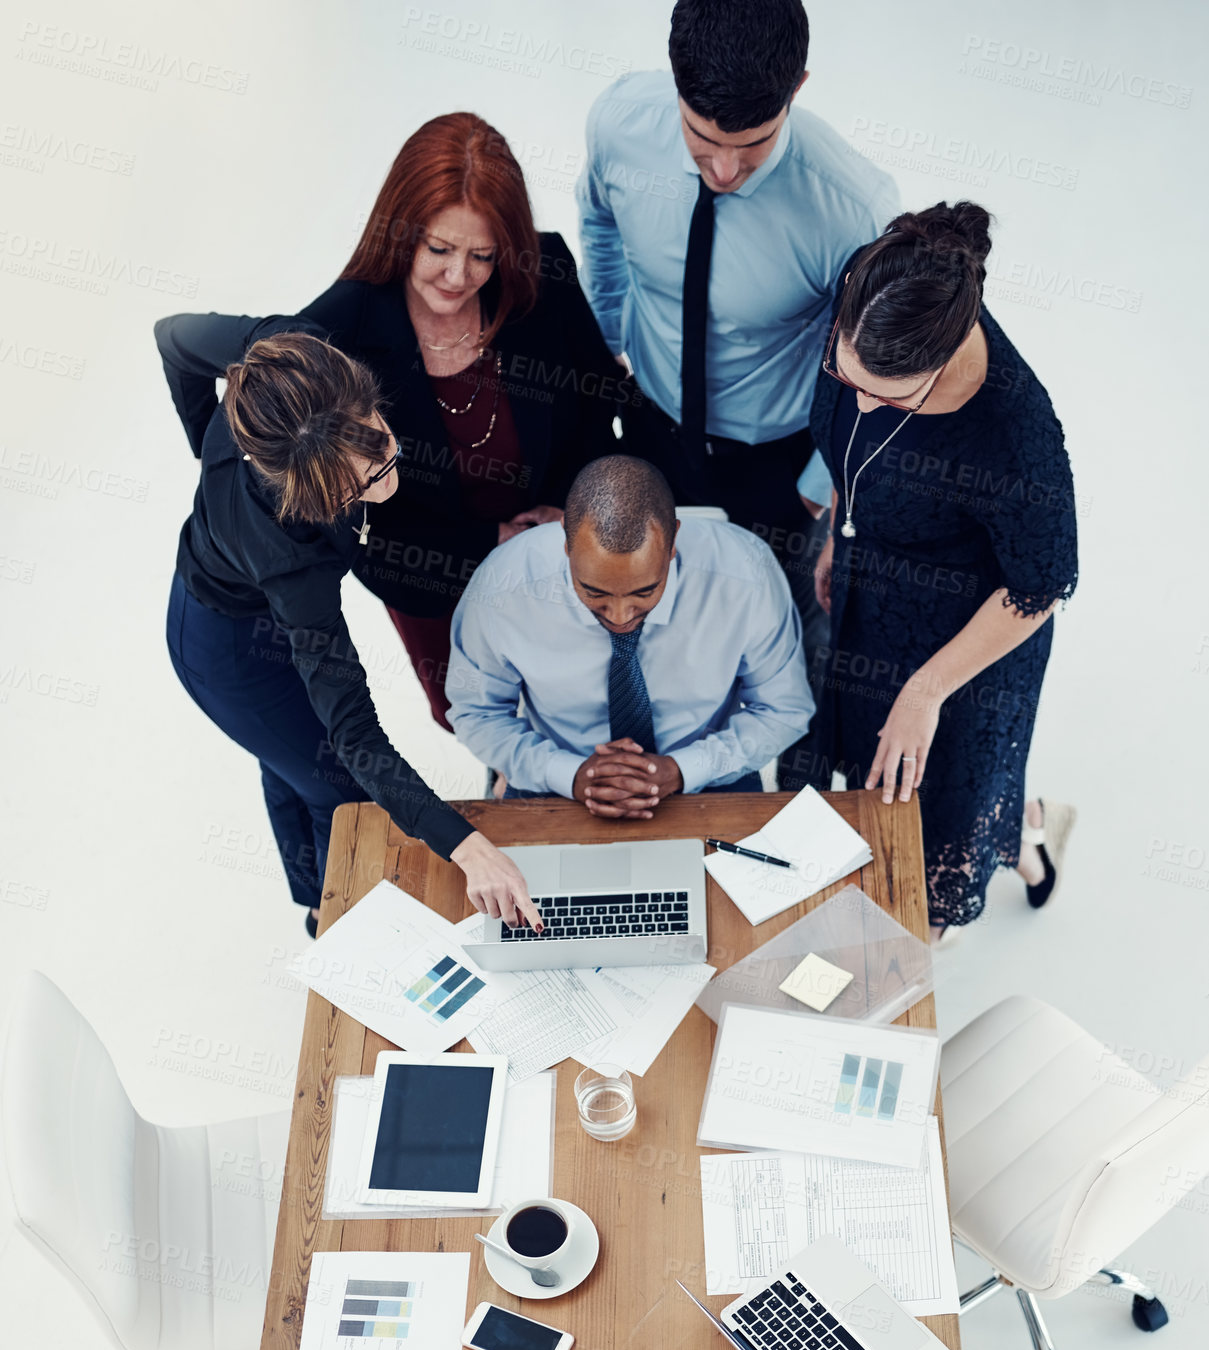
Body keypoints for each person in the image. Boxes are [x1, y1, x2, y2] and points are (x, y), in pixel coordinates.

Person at [155, 315, 541, 933]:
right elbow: (356, 732)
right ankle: (328, 916)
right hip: (228, 653)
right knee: (334, 787)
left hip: (251, 592)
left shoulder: (291, 354)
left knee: (291, 761)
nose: (385, 485)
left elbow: (171, 336)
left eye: (383, 449)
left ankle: (313, 895)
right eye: (358, 487)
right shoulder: (291, 559)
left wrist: (205, 442)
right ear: (303, 488)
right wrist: (469, 848)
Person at [576, 0, 898, 658]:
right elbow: (599, 225)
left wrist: (812, 494)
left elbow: (874, 375)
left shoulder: (852, 211)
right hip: (652, 427)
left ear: (797, 88)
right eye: (702, 139)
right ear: (674, 84)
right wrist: (606, 342)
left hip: (777, 464)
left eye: (751, 144)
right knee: (633, 621)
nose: (722, 170)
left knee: (788, 637)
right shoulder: (619, 123)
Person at [799, 201, 1078, 940]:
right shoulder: (867, 295)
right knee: (871, 755)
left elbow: (1038, 587)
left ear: (948, 353)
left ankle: (1017, 839)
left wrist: (926, 690)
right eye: (843, 372)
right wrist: (836, 526)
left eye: (888, 397)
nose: (859, 399)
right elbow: (851, 446)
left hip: (969, 635)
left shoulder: (1015, 434)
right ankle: (1017, 819)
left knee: (947, 799)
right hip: (872, 587)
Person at [297, 112, 621, 730]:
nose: (458, 277)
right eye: (439, 249)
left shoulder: (542, 270)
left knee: (576, 699)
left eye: (483, 255)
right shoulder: (338, 334)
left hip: (555, 554)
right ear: (401, 232)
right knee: (480, 715)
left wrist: (567, 510)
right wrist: (492, 545)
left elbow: (598, 399)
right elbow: (361, 535)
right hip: (435, 584)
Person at [445, 456, 813, 816]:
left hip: (710, 772)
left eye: (643, 592)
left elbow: (784, 709)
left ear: (672, 547)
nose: (620, 617)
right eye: (594, 592)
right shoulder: (503, 586)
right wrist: (568, 774)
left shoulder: (746, 574)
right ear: (567, 545)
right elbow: (477, 713)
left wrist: (683, 769)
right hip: (555, 771)